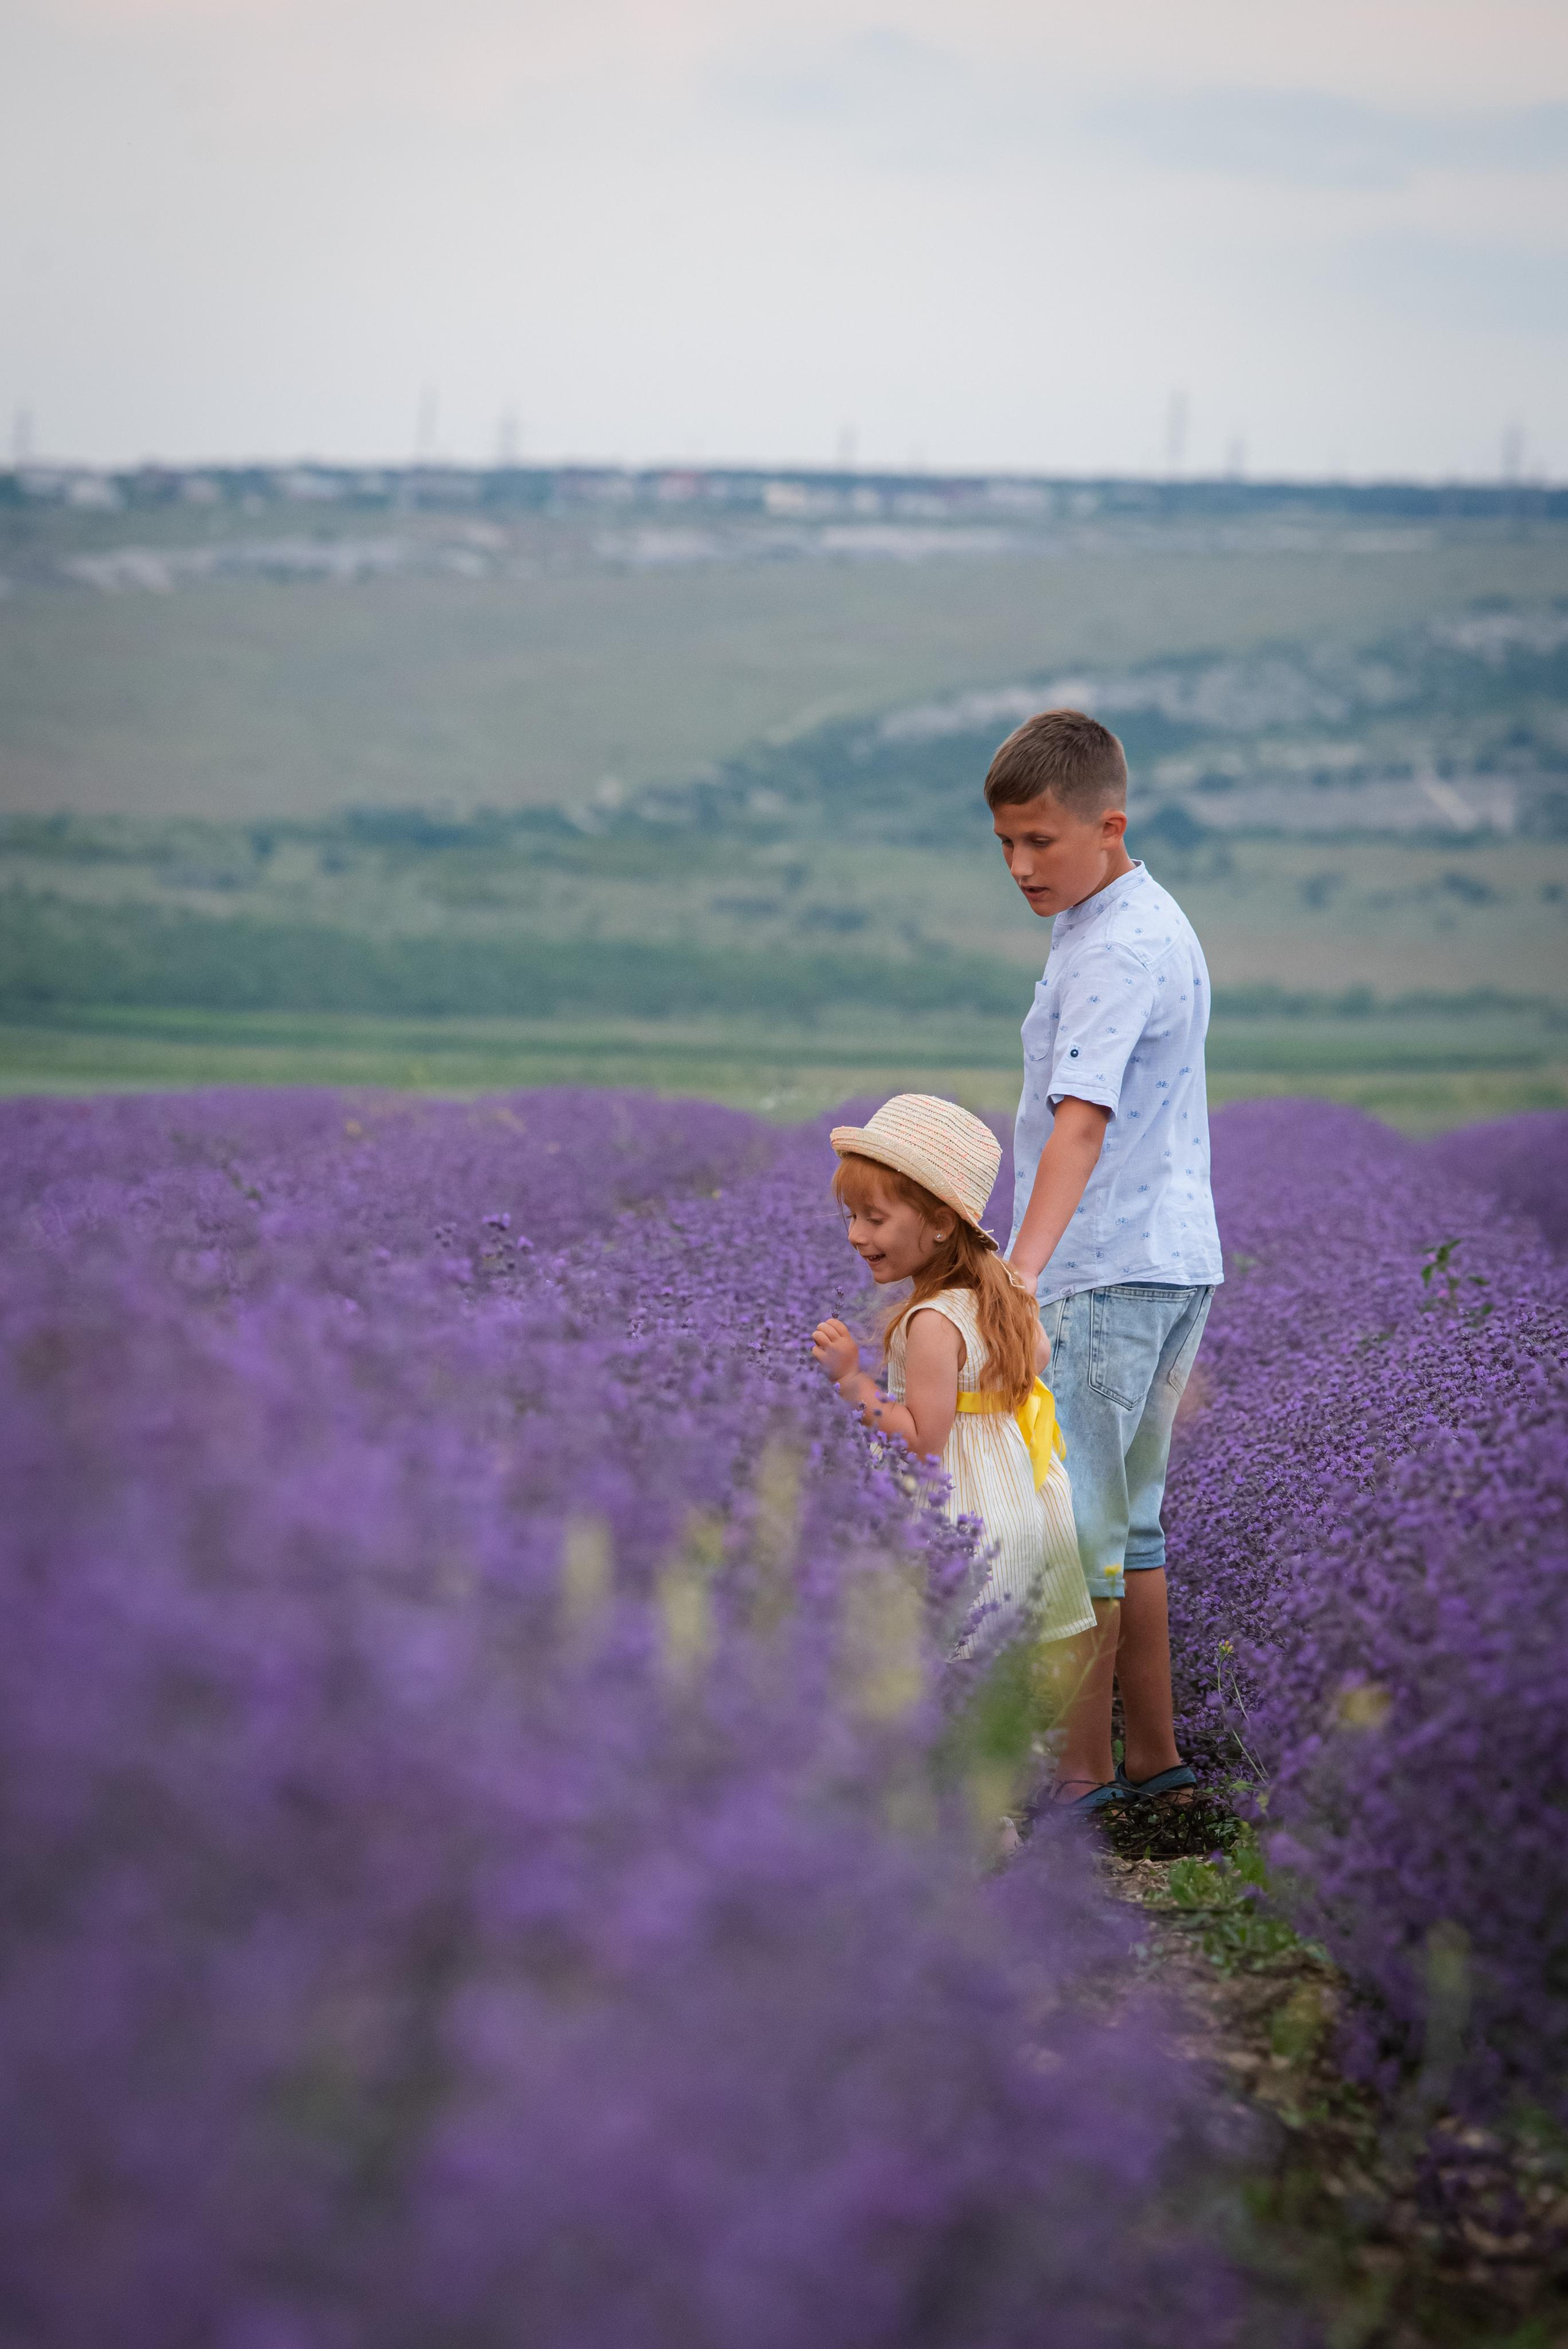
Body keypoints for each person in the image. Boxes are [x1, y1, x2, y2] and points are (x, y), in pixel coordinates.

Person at [986, 709, 1223, 1814]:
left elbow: (1081, 1117)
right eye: (1005, 845)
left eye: (1041, 840)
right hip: (1165, 1258)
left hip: (1107, 1267)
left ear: (1109, 824)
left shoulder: (1117, 945)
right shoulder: (1128, 918)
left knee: (1073, 1527)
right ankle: (1153, 1761)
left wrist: (1020, 1271)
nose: (1021, 866)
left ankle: (1082, 1778)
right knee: (1131, 1524)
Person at [810, 1093, 1095, 1660]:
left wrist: (851, 1383)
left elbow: (922, 1442)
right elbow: (1033, 1360)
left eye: (876, 1219)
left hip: (956, 1522)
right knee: (1001, 1672)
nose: (855, 1236)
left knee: (935, 1661)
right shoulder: (1005, 1293)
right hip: (1017, 1501)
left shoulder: (933, 1322)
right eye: (852, 1218)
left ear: (941, 1224)